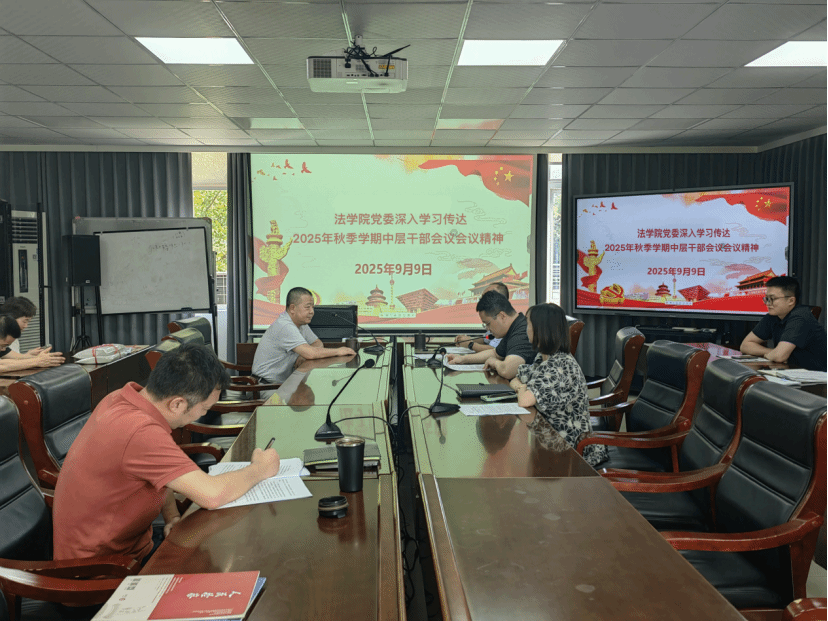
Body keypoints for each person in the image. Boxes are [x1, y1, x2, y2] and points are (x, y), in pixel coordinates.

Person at [53, 343, 281, 563]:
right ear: (177, 404)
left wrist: (172, 517)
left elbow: (162, 474)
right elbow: (212, 494)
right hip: (101, 570)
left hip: (133, 546)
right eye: (204, 409)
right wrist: (260, 469)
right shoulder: (140, 431)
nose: (203, 415)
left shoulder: (120, 398)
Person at [509, 303, 608, 468]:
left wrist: (521, 388)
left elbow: (525, 400)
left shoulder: (560, 365)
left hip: (569, 445)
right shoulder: (544, 357)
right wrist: (522, 387)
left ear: (541, 329)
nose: (526, 329)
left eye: (528, 324)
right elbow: (516, 377)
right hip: (550, 435)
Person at [252, 287, 356, 385]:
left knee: (311, 392)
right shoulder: (285, 326)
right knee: (309, 394)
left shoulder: (301, 324)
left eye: (312, 307)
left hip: (282, 384)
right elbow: (311, 353)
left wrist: (303, 355)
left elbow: (317, 343)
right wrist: (338, 351)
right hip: (266, 386)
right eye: (307, 307)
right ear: (292, 308)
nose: (312, 312)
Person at [740, 275, 827, 371]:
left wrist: (775, 354)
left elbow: (779, 357)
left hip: (815, 376)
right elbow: (745, 345)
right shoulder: (773, 315)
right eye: (767, 299)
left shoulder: (801, 316)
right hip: (790, 371)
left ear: (791, 301)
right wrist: (770, 352)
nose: (768, 303)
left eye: (772, 299)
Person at [446, 290, 535, 379]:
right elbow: (495, 354)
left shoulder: (524, 331)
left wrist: (495, 362)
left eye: (488, 323)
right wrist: (463, 359)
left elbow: (507, 370)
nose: (487, 329)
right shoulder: (514, 327)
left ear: (502, 316)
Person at [454, 282, 510, 352]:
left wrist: (470, 344)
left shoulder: (505, 322)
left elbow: (496, 350)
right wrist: (467, 339)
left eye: (487, 297)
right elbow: (485, 339)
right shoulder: (492, 318)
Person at [0, 314, 64, 372]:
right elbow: (3, 365)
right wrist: (37, 361)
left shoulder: (3, 348)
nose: (3, 349)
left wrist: (37, 357)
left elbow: (11, 360)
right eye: (2, 346)